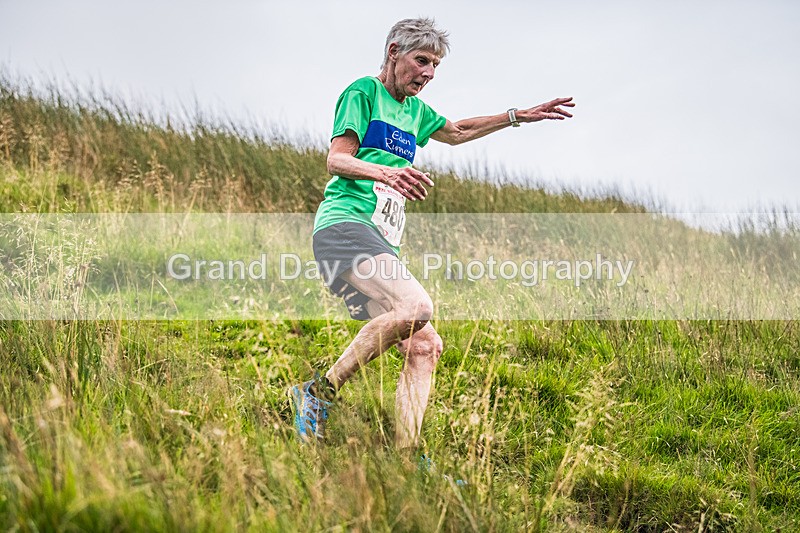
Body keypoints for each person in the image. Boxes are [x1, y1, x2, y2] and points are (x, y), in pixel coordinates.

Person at [291, 17, 574, 448]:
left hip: (380, 240)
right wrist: (386, 171)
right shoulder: (363, 93)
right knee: (418, 305)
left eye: (436, 66)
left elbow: (458, 131)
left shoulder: (415, 113)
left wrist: (517, 116)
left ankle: (408, 457)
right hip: (345, 225)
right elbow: (336, 160)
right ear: (393, 53)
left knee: (425, 346)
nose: (428, 74)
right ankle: (317, 392)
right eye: (421, 61)